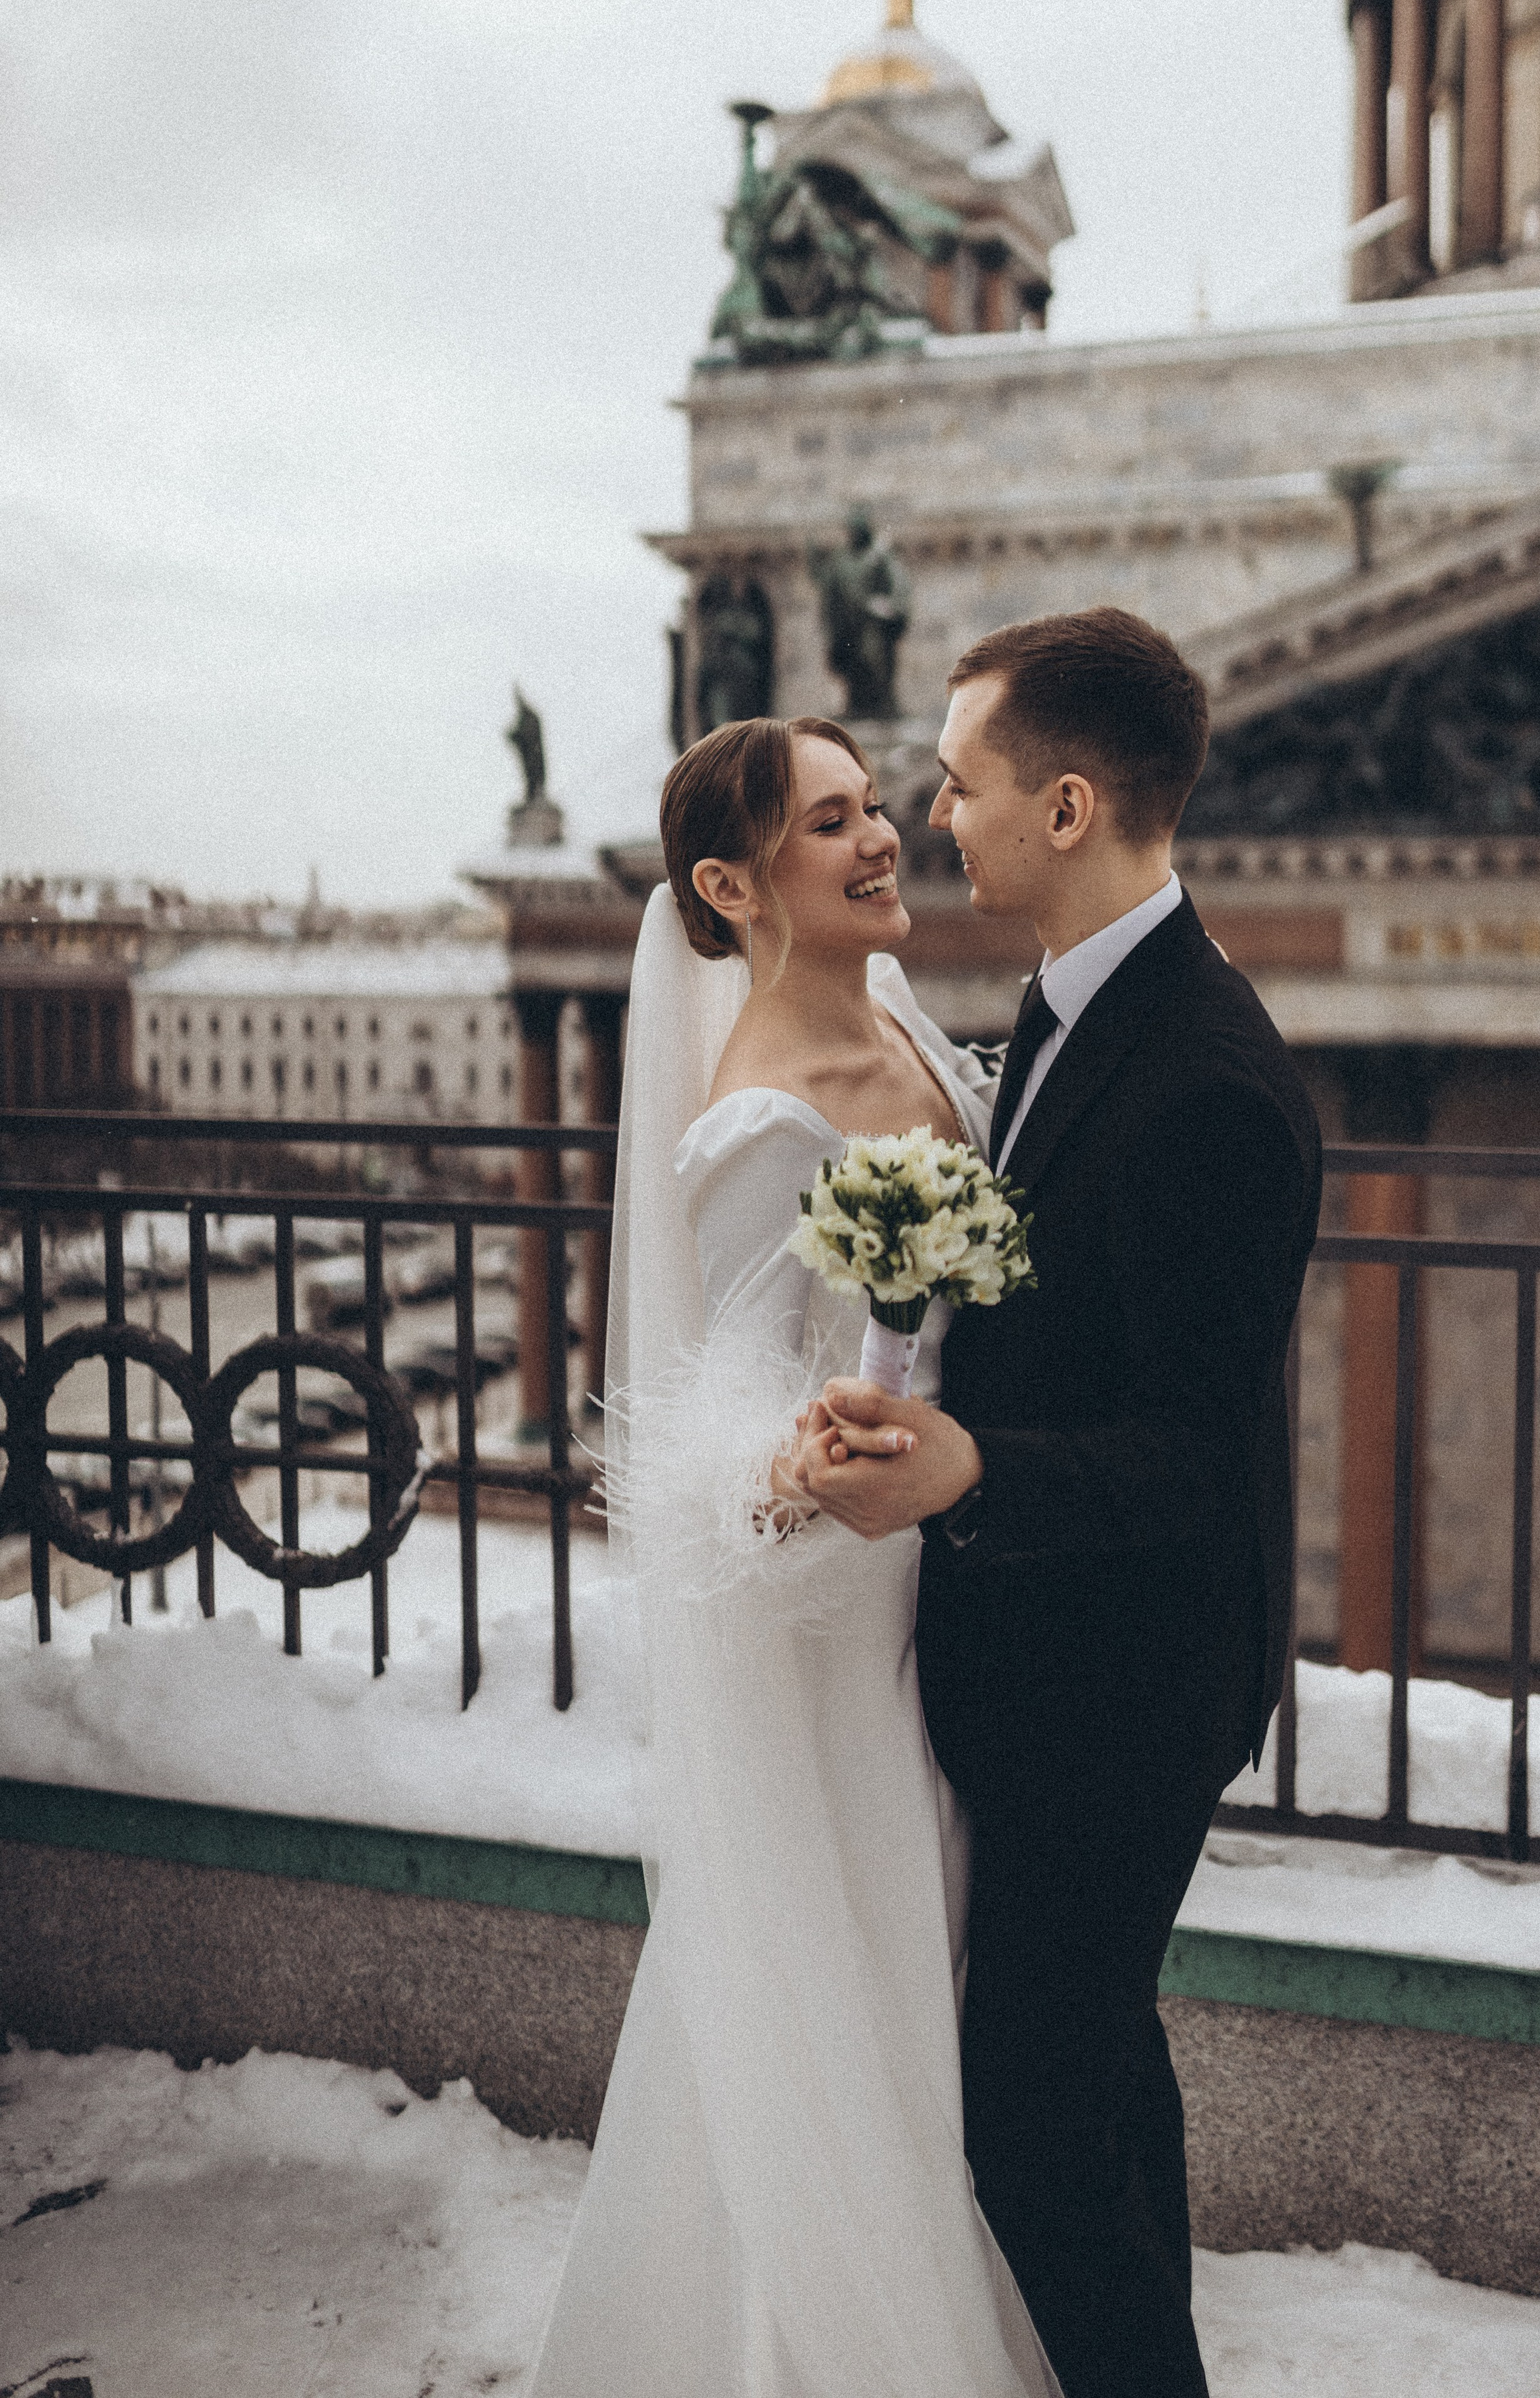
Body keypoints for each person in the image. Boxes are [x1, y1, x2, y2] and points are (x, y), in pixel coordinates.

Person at [792, 609, 1323, 2398]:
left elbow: (1194, 1450)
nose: (939, 814)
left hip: (1129, 1691)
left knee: (1026, 2125)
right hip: (1051, 1666)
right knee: (1098, 2084)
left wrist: (972, 1470)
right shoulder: (1066, 1002)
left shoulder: (1218, 1085)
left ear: (1072, 805)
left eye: (963, 781)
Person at [526, 714, 1061, 2397]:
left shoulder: (896, 1015)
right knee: (851, 2016)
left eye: (877, 805)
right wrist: (812, 1456)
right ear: (727, 884)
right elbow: (722, 1439)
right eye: (831, 824)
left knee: (910, 2001)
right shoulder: (756, 1120)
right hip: (849, 1627)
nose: (884, 836)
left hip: (948, 1575)